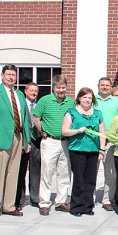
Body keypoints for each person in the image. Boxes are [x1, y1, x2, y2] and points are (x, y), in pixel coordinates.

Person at [0, 64, 31, 221]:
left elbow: (24, 118)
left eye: (14, 75)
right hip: (0, 138)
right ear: (2, 75)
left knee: (13, 173)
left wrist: (27, 140)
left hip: (17, 138)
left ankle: (9, 206)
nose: (11, 77)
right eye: (8, 74)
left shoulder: (19, 94)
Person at [33, 75, 75, 216]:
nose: (61, 90)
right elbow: (36, 118)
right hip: (50, 141)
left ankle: (61, 201)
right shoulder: (44, 100)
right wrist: (43, 133)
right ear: (53, 87)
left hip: (66, 142)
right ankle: (44, 203)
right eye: (58, 87)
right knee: (47, 173)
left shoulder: (71, 102)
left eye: (63, 87)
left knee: (65, 173)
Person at [62, 87, 105, 216]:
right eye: (85, 97)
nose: (87, 100)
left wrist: (101, 150)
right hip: (77, 150)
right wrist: (77, 131)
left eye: (90, 98)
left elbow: (102, 133)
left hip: (93, 151)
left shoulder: (97, 113)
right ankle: (76, 207)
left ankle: (88, 207)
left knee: (91, 180)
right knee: (79, 179)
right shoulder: (71, 112)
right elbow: (64, 131)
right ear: (79, 98)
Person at [94, 77, 118, 211]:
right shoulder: (91, 100)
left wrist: (109, 131)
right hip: (93, 142)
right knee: (91, 173)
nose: (104, 87)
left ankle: (107, 199)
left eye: (107, 85)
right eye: (102, 85)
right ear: (98, 86)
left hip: (110, 142)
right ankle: (89, 198)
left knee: (110, 173)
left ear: (111, 87)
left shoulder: (117, 102)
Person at [15, 82, 41, 210]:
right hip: (24, 141)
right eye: (31, 90)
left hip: (37, 141)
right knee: (21, 171)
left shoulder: (39, 105)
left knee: (35, 171)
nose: (33, 93)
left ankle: (35, 199)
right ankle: (19, 200)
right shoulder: (20, 104)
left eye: (35, 91)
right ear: (25, 91)